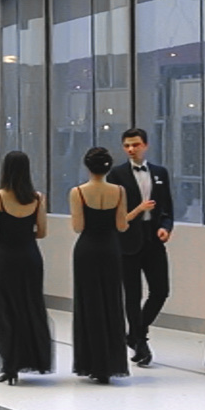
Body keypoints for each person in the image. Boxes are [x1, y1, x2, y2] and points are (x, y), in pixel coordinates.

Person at [0, 152, 53, 382]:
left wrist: (3, 230)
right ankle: (33, 358)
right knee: (30, 307)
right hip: (30, 257)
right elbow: (42, 232)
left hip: (6, 257)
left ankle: (9, 364)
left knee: (4, 310)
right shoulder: (37, 198)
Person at [67, 146, 134, 382]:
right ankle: (111, 361)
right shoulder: (119, 191)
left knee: (89, 304)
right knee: (111, 302)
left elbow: (78, 227)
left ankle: (91, 362)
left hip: (86, 250)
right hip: (111, 249)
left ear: (87, 166)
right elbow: (122, 226)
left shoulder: (78, 192)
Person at [112, 126, 175, 365]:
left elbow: (167, 207)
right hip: (128, 239)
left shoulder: (160, 172)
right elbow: (116, 214)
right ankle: (141, 341)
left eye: (135, 144)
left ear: (145, 145)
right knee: (133, 294)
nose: (131, 149)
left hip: (153, 238)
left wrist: (166, 227)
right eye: (127, 145)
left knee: (161, 290)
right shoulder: (116, 175)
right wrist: (138, 211)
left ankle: (136, 333)